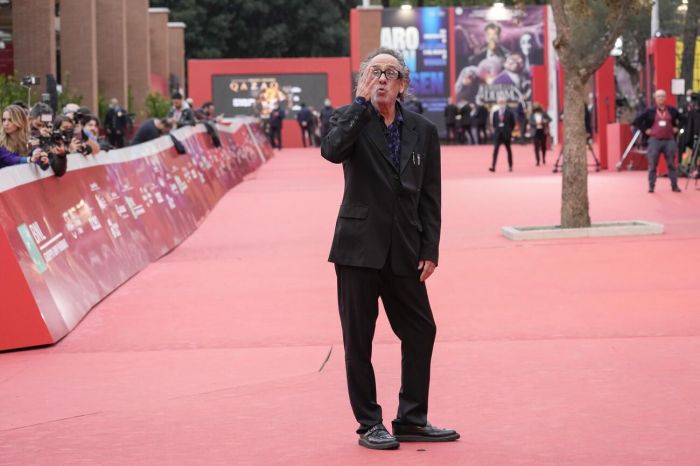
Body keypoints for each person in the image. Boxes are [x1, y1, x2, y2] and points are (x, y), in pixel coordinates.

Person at [321, 46, 458, 451]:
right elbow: (332, 151)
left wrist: (429, 247)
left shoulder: (422, 130)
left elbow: (430, 194)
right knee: (358, 339)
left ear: (403, 85)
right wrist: (359, 105)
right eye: (374, 72)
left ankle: (411, 418)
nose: (382, 78)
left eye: (390, 73)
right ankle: (370, 423)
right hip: (357, 250)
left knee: (421, 329)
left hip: (404, 249)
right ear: (364, 80)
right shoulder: (349, 119)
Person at [635, 89, 682, 193]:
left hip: (669, 140)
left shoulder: (672, 110)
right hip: (654, 141)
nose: (661, 98)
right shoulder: (650, 111)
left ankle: (674, 185)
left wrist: (678, 128)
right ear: (655, 99)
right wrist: (645, 130)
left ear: (666, 98)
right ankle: (651, 185)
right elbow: (637, 121)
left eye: (663, 96)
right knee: (652, 164)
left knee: (671, 164)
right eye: (659, 96)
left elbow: (683, 119)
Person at [1, 104, 44, 169]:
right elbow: (10, 159)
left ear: (20, 121)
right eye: (4, 120)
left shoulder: (30, 141)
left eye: (10, 120)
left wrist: (42, 159)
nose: (6, 124)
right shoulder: (1, 141)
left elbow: (41, 165)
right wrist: (29, 159)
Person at [489, 96, 516, 172]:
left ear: (505, 103)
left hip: (506, 134)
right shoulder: (495, 113)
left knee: (508, 150)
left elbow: (513, 123)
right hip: (498, 134)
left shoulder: (509, 113)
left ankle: (510, 166)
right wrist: (497, 130)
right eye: (500, 102)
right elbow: (494, 123)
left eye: (502, 102)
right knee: (495, 150)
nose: (501, 103)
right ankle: (493, 166)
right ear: (497, 103)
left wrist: (509, 130)